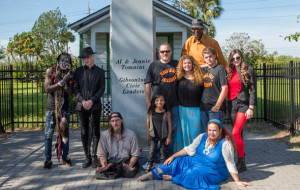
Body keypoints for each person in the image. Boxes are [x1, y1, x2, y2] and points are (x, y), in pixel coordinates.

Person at [138, 119, 250, 189]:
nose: (211, 133)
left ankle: (174, 178)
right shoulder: (202, 136)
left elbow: (230, 163)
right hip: (195, 161)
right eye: (210, 130)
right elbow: (189, 149)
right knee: (176, 161)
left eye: (214, 130)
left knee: (194, 174)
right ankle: (152, 174)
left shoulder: (225, 145)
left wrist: (237, 181)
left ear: (220, 131)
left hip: (213, 170)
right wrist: (172, 156)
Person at [73, 47, 105, 168]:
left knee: (96, 131)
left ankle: (94, 157)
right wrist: (83, 100)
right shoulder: (78, 71)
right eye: (84, 58)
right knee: (84, 131)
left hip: (95, 105)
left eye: (88, 57)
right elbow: (75, 88)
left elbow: (102, 89)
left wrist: (92, 100)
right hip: (82, 106)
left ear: (92, 57)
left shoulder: (100, 72)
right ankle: (87, 157)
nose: (86, 60)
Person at [145, 43, 179, 156]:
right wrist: (148, 102)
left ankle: (167, 154)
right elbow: (147, 84)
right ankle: (156, 155)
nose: (165, 53)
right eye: (163, 51)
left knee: (171, 131)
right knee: (156, 132)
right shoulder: (154, 65)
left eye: (167, 51)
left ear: (171, 52)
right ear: (159, 53)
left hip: (173, 104)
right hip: (158, 106)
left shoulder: (177, 64)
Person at [227, 49, 256, 173]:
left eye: (237, 58)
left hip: (244, 104)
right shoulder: (228, 71)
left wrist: (251, 107)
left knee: (235, 132)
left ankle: (242, 161)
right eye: (233, 59)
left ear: (241, 58)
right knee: (238, 134)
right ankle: (240, 159)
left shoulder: (248, 70)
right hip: (231, 104)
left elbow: (253, 90)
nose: (235, 61)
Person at [43, 53, 73, 169]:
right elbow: (47, 89)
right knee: (48, 134)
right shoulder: (50, 71)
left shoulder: (70, 74)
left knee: (65, 132)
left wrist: (62, 80)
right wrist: (62, 82)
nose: (64, 65)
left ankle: (65, 156)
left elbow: (71, 92)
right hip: (51, 108)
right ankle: (47, 159)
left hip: (64, 109)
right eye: (62, 62)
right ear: (58, 62)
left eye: (67, 62)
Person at [95, 112, 140, 179]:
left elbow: (135, 154)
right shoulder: (104, 135)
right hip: (111, 162)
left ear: (121, 120)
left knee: (130, 172)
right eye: (112, 121)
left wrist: (130, 166)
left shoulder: (131, 134)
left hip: (125, 161)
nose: (115, 123)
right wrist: (104, 165)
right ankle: (115, 171)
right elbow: (102, 154)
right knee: (100, 173)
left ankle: (119, 171)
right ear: (110, 122)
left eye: (117, 120)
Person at [175, 55, 204, 151]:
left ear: (193, 64)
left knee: (195, 133)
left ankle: (196, 153)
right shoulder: (178, 77)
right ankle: (184, 154)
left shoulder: (199, 77)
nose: (187, 65)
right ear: (181, 65)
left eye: (189, 63)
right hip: (182, 110)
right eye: (185, 63)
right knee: (183, 134)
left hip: (196, 110)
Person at [200, 47, 228, 128]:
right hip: (204, 106)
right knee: (206, 133)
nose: (209, 59)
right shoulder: (204, 69)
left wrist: (217, 106)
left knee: (216, 134)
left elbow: (225, 88)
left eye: (210, 56)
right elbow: (193, 66)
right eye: (206, 57)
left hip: (215, 108)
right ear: (203, 58)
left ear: (215, 56)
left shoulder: (220, 68)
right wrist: (205, 64)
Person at [145, 93, 172, 173]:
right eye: (157, 100)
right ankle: (149, 164)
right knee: (152, 150)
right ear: (154, 102)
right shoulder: (151, 111)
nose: (159, 102)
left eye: (161, 100)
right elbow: (148, 122)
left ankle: (162, 165)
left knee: (163, 150)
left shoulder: (166, 112)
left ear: (164, 102)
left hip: (163, 135)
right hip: (154, 134)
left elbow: (169, 125)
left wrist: (169, 137)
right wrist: (148, 133)